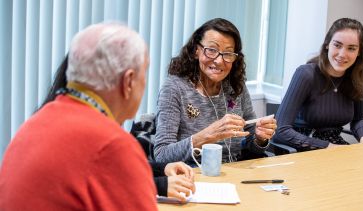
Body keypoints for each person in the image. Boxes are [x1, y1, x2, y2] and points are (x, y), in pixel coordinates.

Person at [0, 22, 189, 210]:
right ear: (129, 81)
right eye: (144, 74)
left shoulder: (35, 123)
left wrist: (159, 171)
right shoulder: (112, 143)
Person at [36, 56, 195, 201]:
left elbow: (112, 168)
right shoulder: (87, 129)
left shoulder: (54, 114)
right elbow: (107, 182)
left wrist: (163, 169)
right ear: (126, 82)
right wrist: (159, 185)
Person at [153, 18, 277, 166]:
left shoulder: (236, 86)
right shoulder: (174, 88)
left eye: (228, 53)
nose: (219, 61)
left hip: (234, 172)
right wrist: (207, 135)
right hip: (192, 174)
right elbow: (161, 155)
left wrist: (260, 138)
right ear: (196, 51)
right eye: (212, 50)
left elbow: (252, 144)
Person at [273, 18, 363, 151]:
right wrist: (326, 146)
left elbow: (359, 119)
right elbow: (280, 130)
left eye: (351, 48)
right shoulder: (306, 74)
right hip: (301, 147)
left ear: (359, 52)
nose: (342, 54)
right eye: (337, 45)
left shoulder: (356, 77)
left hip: (335, 145)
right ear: (327, 44)